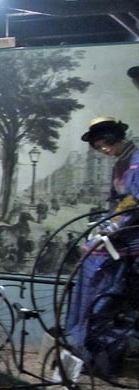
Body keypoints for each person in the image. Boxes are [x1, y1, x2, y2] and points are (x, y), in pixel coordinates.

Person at [66, 117, 139, 375]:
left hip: (132, 236)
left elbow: (133, 203)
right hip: (120, 231)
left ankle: (102, 351)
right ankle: (83, 339)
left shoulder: (135, 160)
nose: (103, 150)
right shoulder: (120, 162)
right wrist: (104, 223)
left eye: (104, 144)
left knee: (105, 291)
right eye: (98, 147)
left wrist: (112, 227)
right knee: (89, 253)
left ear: (115, 138)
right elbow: (115, 201)